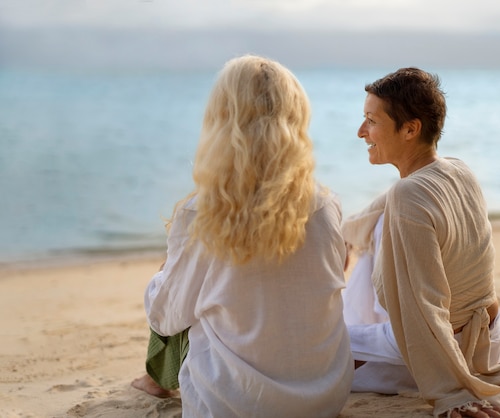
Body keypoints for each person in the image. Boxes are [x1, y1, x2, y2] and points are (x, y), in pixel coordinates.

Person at [131, 54, 354, 417]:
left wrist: (161, 276)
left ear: (220, 122)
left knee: (173, 287)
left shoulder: (202, 212)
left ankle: (154, 380)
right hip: (324, 395)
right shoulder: (326, 205)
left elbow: (164, 317)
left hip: (233, 403)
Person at [341, 67, 500, 418]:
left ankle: (357, 337)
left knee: (306, 349)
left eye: (371, 121)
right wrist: (342, 236)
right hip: (488, 337)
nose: (361, 132)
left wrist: (452, 391)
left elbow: (424, 305)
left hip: (441, 351)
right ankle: (355, 324)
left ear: (410, 129)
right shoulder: (457, 168)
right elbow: (376, 213)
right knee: (373, 224)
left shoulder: (408, 194)